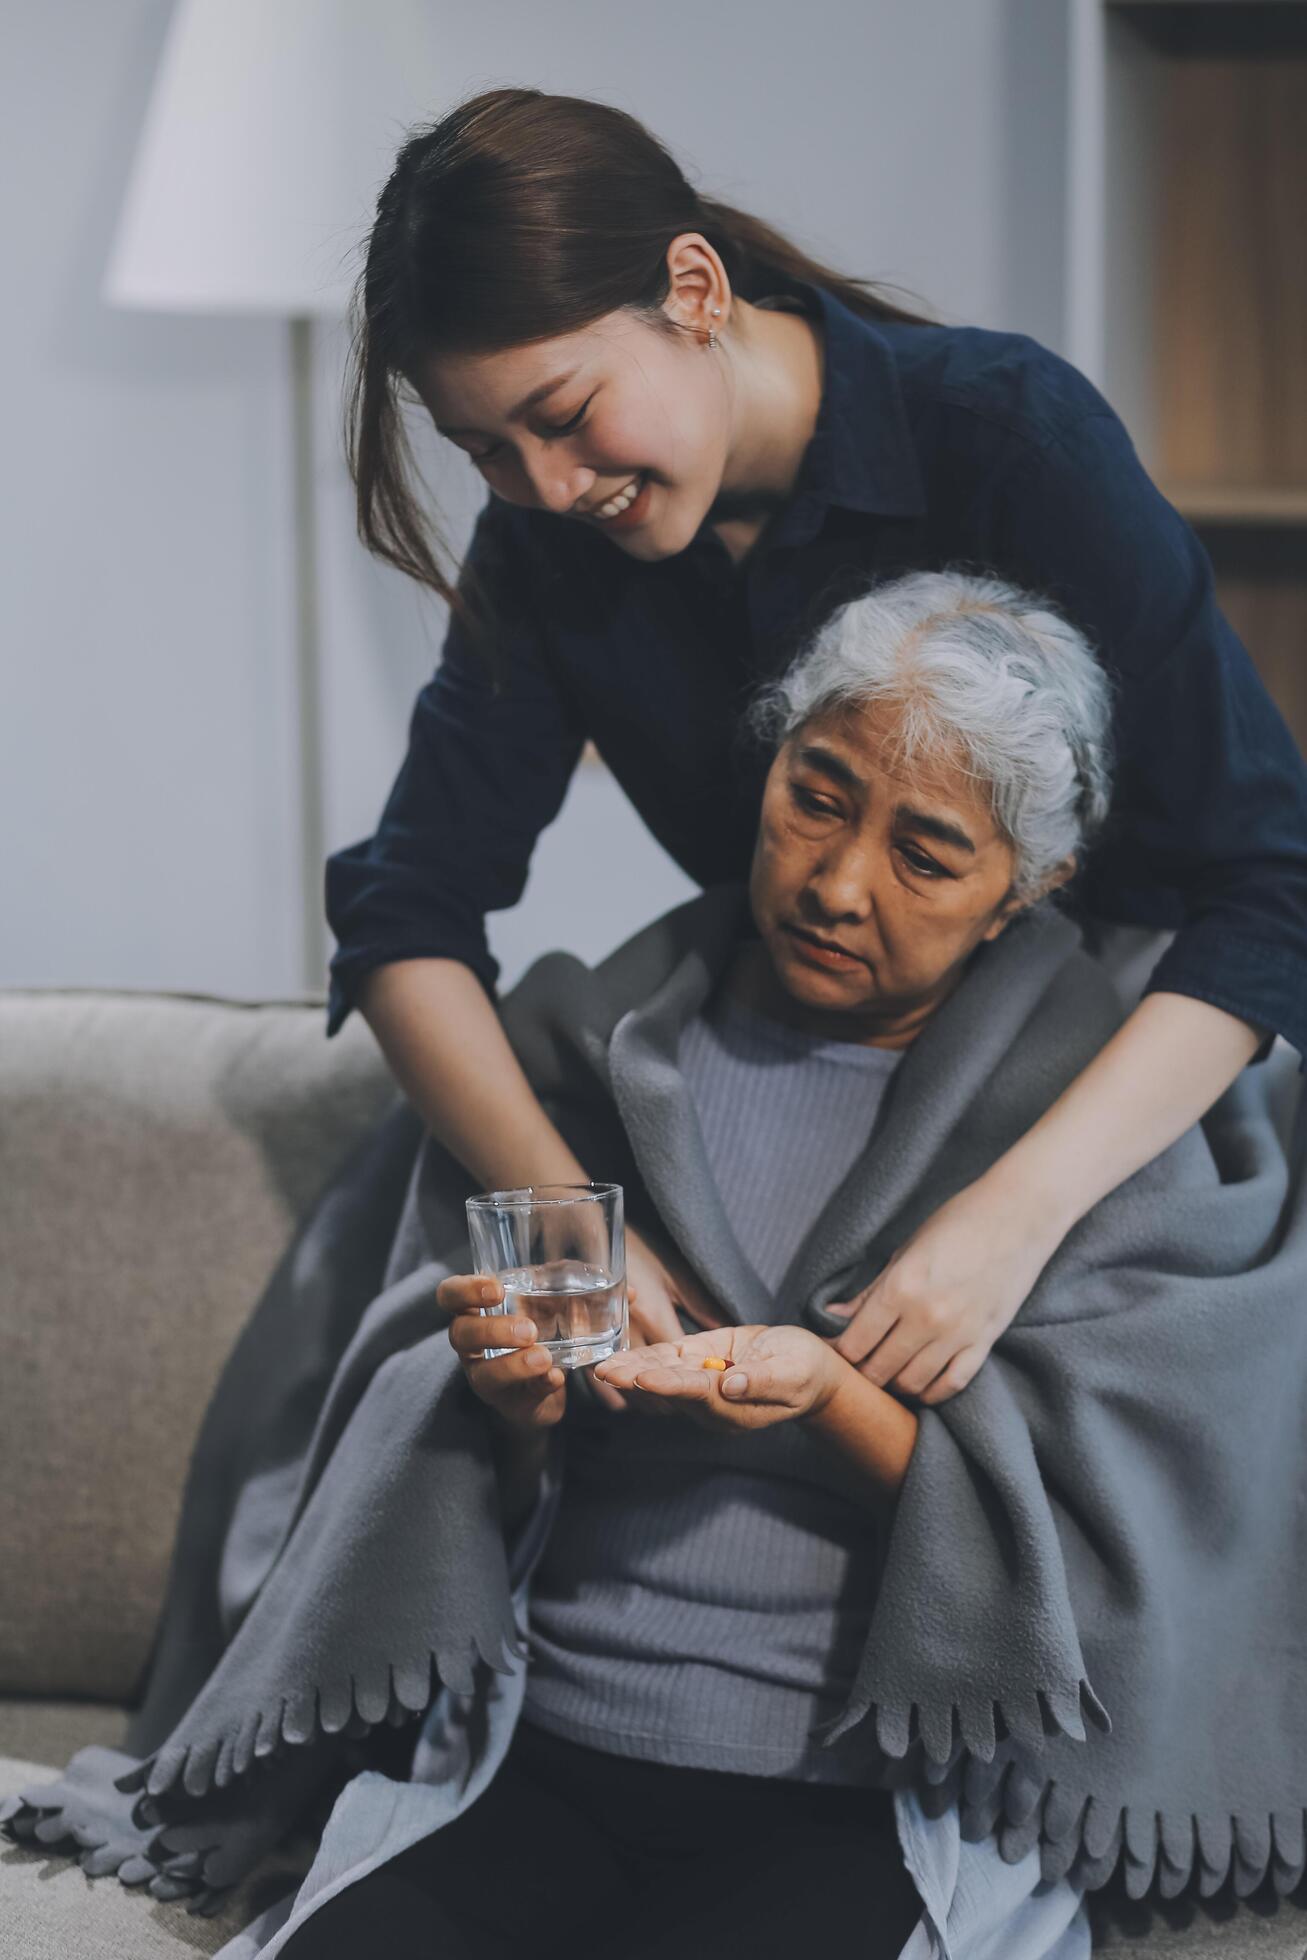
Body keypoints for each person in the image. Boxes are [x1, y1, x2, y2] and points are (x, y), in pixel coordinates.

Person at [325, 84, 1307, 1409]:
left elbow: (1273, 886)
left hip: (1085, 1106)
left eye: (564, 414)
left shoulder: (1009, 438)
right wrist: (563, 1219)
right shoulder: (549, 548)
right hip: (791, 1083)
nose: (549, 488)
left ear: (694, 288)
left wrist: (1010, 1222)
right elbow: (408, 918)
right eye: (486, 450)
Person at [283, 567, 1115, 1959]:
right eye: (818, 795)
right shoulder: (586, 1067)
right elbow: (464, 1511)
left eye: (925, 854)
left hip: (848, 1805)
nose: (840, 885)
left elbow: (1108, 1553)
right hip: (539, 1758)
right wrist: (515, 1408)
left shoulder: (1067, 1134)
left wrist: (835, 1403)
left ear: (1025, 891)